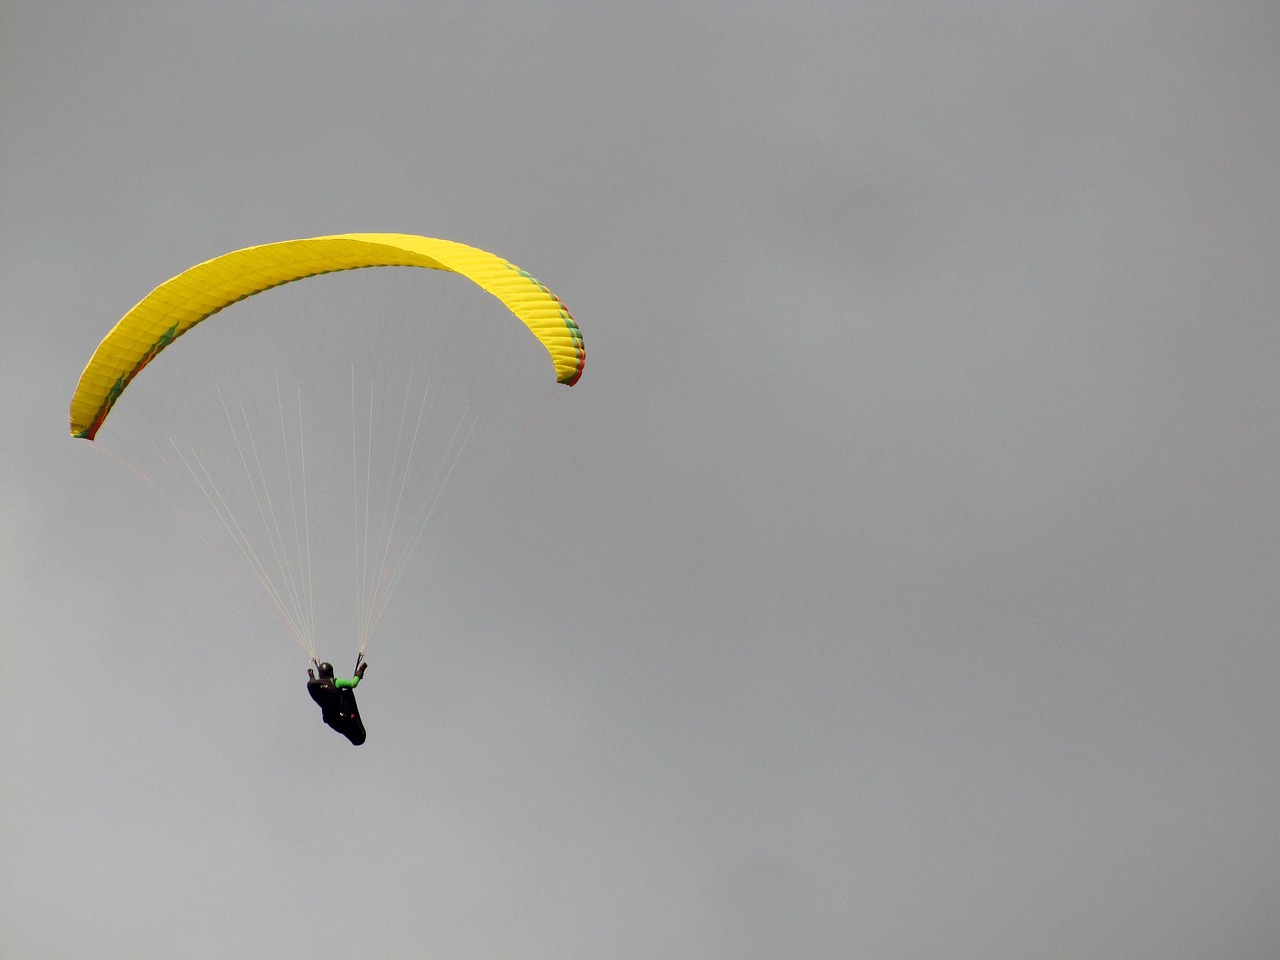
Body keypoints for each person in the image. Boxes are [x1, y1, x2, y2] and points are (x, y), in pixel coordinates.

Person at [306, 657, 368, 745]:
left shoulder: (318, 685)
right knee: (347, 693)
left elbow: (312, 684)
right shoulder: (336, 682)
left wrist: (311, 676)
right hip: (342, 715)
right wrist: (360, 671)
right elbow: (353, 684)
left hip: (331, 720)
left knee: (353, 734)